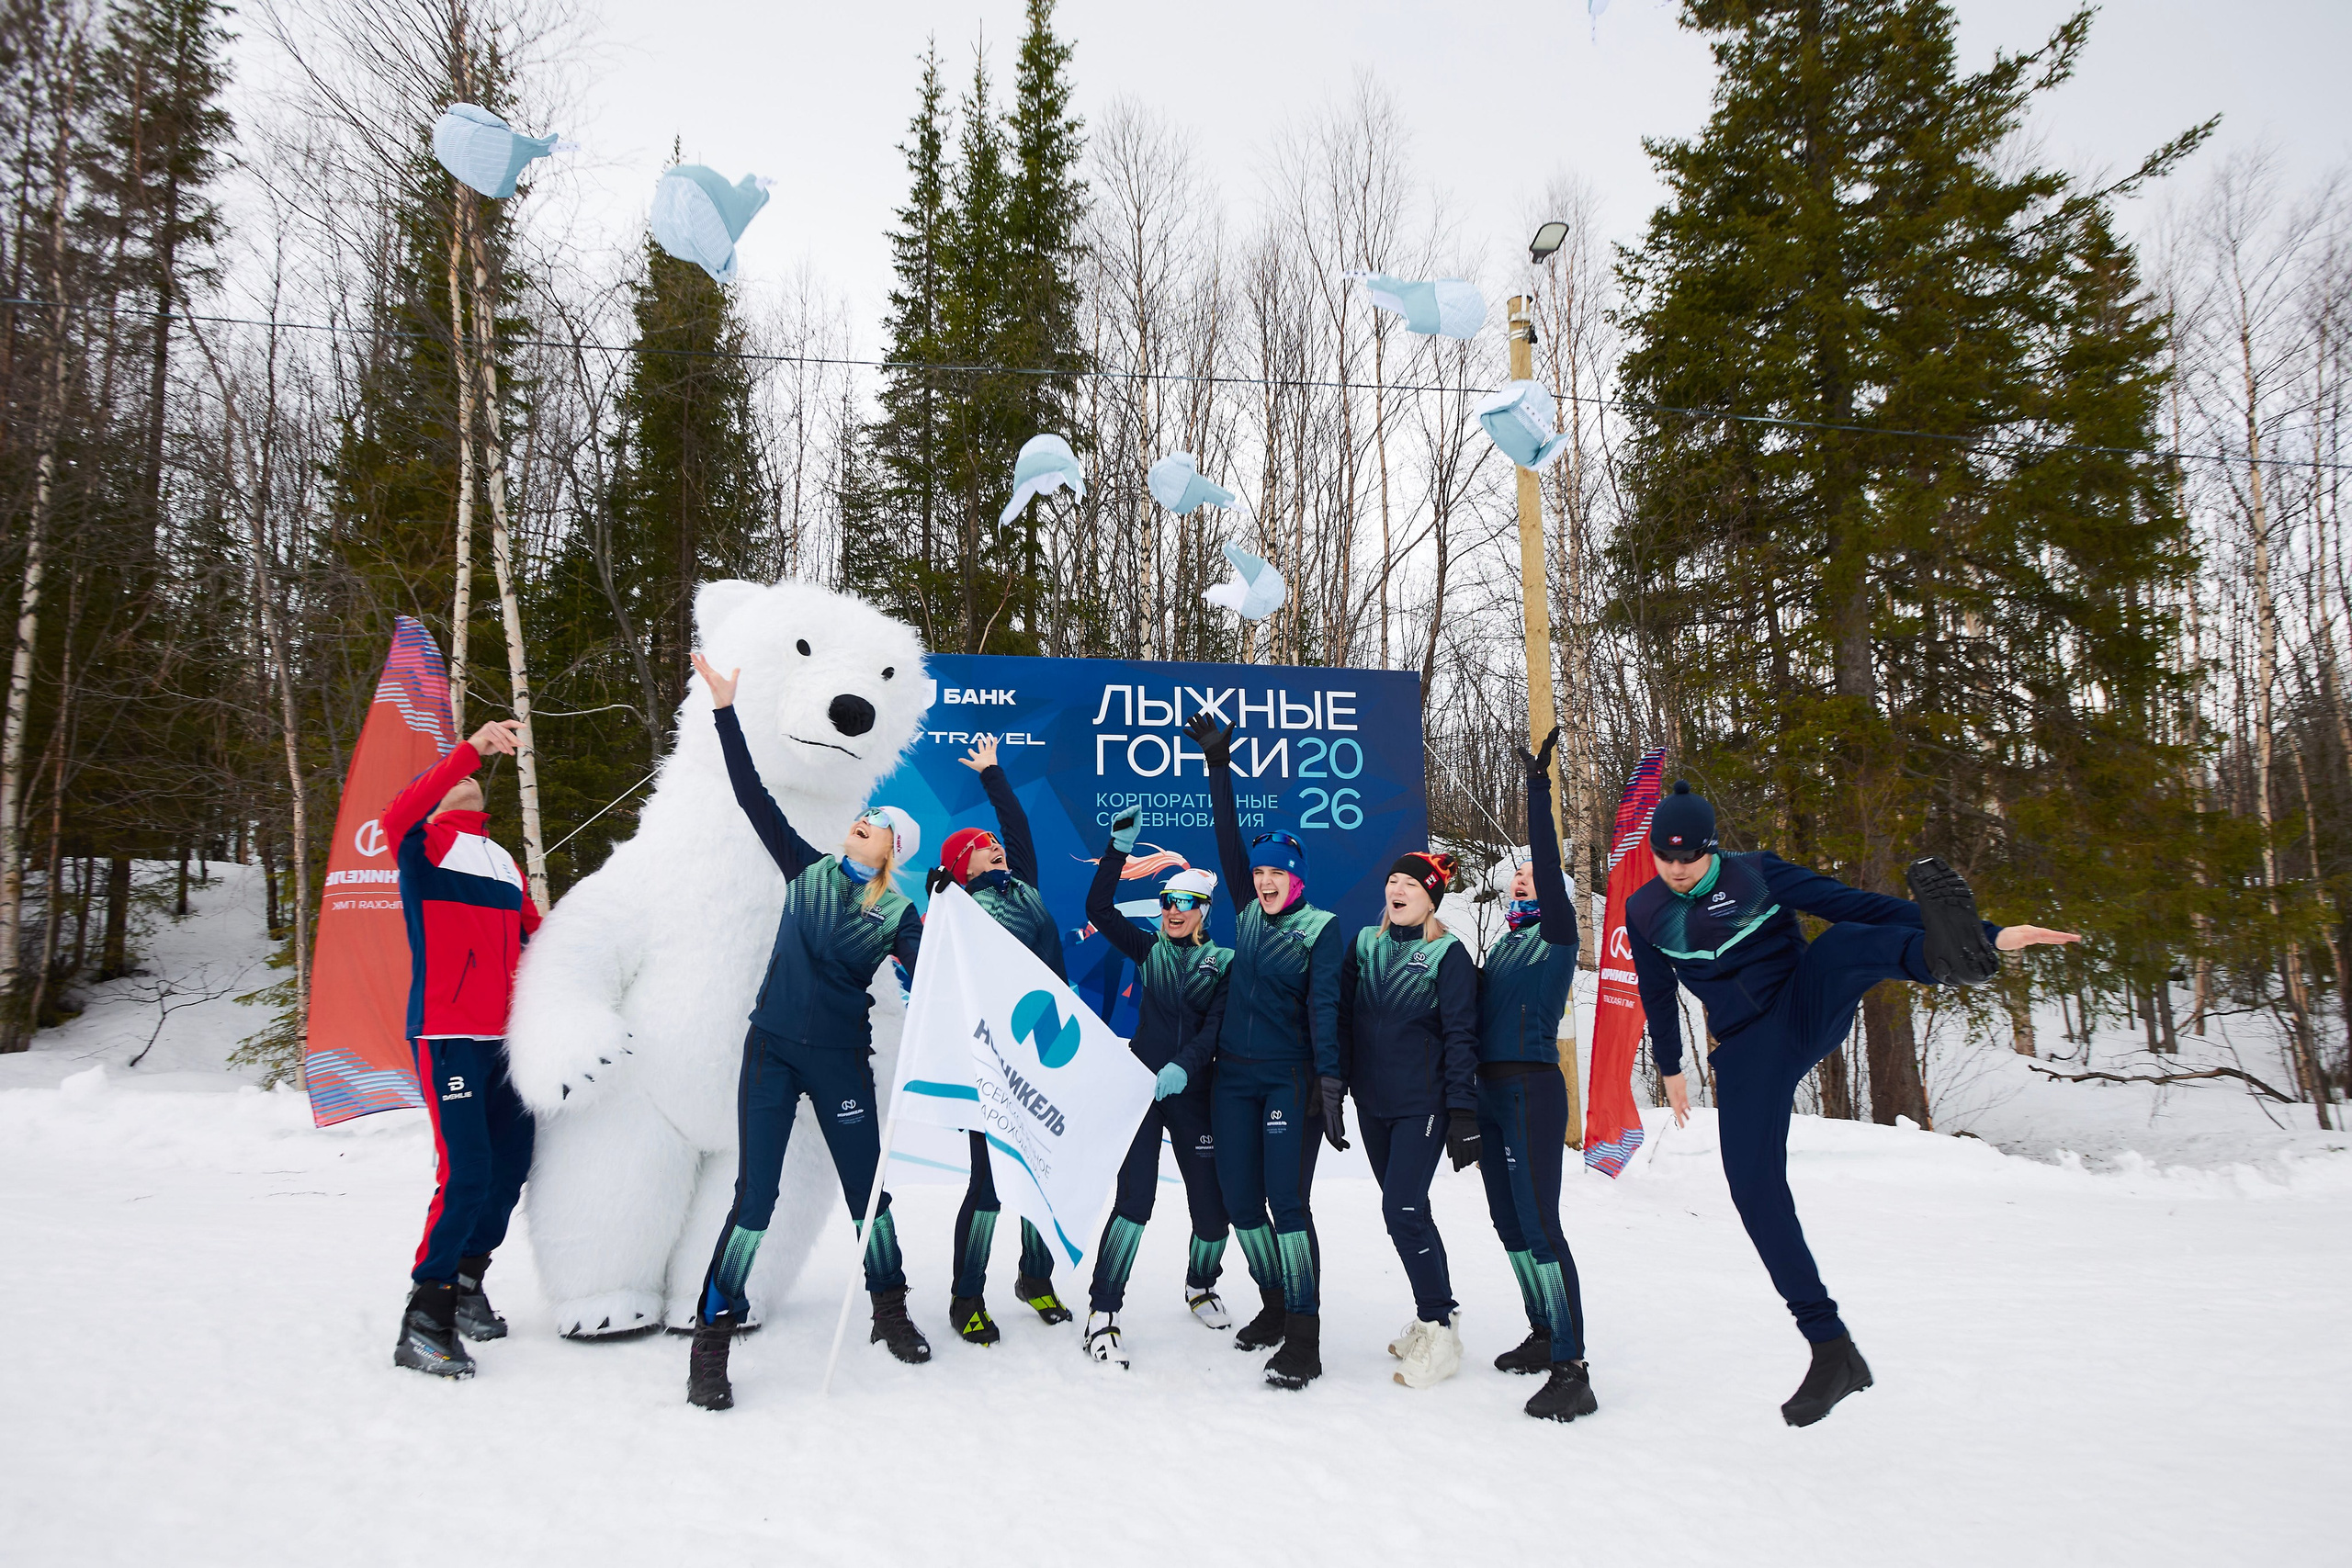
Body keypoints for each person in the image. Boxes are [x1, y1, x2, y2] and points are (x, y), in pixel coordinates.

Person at [1626, 780, 2079, 1427]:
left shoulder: (1758, 874)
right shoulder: (1645, 911)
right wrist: (1670, 1066)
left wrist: (1989, 933)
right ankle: (1831, 1348)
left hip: (1805, 1001)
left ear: (1713, 849)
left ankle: (1951, 956)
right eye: (1663, 857)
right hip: (1749, 1049)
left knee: (1843, 939)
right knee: (1752, 1189)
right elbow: (1655, 986)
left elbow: (1854, 902)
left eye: (1688, 858)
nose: (1674, 870)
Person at [684, 653, 933, 1412]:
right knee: (754, 1199)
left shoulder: (899, 915)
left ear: (893, 852)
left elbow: (935, 984)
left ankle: (888, 1307)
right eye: (866, 819)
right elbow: (752, 794)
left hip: (840, 1063)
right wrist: (726, 712)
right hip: (771, 1050)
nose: (864, 824)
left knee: (869, 1194)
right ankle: (712, 1339)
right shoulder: (807, 869)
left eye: (877, 827)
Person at [1184, 711, 1344, 1391]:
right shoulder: (1246, 912)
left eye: (1279, 870)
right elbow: (1226, 832)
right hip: (1232, 1079)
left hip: (1288, 1081)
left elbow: (1327, 1007)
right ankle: (1273, 1300)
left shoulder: (1321, 928)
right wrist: (1218, 765)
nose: (1266, 877)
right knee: (1242, 1203)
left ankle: (1303, 1336)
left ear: (1298, 877)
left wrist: (1329, 1081)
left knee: (1289, 1204)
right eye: (1260, 870)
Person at [383, 716, 539, 1380]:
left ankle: (470, 1280)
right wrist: (470, 749)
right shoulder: (420, 843)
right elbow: (399, 809)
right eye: (457, 779)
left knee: (511, 1165)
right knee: (467, 1170)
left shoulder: (502, 860)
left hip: (505, 1040)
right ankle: (426, 1316)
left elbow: (539, 937)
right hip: (448, 1036)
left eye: (476, 778)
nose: (469, 783)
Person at [1077, 807, 1235, 1368]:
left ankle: (1200, 1285)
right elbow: (1097, 908)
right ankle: (1102, 1314)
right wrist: (1117, 852)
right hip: (1140, 1091)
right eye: (1167, 900)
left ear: (1204, 911)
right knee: (1135, 1204)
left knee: (1213, 1210)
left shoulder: (1223, 963)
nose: (1173, 910)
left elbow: (1215, 1030)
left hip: (1191, 1093)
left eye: (1185, 903)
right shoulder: (1148, 950)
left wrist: (1185, 1068)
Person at [930, 734, 1073, 1344]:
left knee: (1040, 1177)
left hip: (1042, 1057)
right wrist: (939, 896)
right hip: (989, 1065)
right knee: (988, 1187)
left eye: (995, 848)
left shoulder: (1028, 889)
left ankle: (1034, 1278)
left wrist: (994, 774)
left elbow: (1019, 831)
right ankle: (967, 1298)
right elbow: (937, 970)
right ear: (963, 867)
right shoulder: (955, 908)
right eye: (983, 851)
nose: (997, 852)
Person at [1474, 728, 1596, 1422]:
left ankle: (1573, 1364)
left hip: (1529, 1087)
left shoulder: (1554, 934)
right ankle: (1544, 1328)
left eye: (1533, 875)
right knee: (1507, 1218)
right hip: (1490, 1091)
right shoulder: (1507, 939)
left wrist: (1536, 789)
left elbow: (1547, 866)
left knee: (1541, 1221)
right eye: (1516, 873)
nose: (1522, 876)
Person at [1337, 845, 1479, 1391]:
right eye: (1393, 880)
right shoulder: (1366, 945)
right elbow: (1345, 1021)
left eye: (1411, 885)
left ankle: (1439, 1329)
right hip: (1372, 1105)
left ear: (1431, 898)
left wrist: (1462, 1110)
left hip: (1422, 1105)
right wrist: (1338, 1091)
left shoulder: (1448, 955)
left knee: (1400, 1208)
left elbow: (1461, 1035)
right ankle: (1436, 1315)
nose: (1397, 890)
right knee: (1409, 1209)